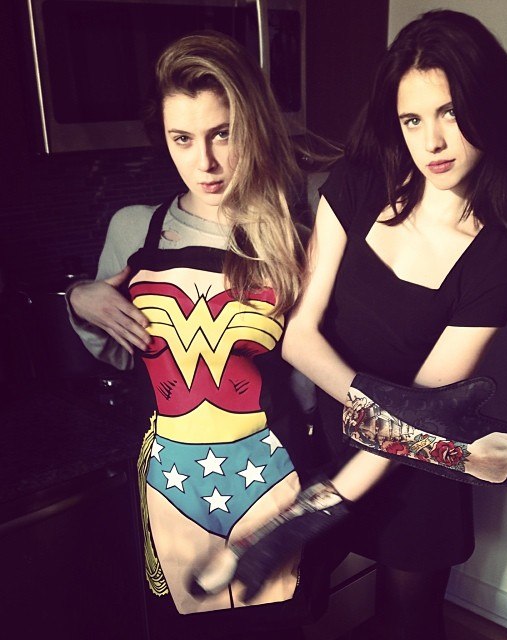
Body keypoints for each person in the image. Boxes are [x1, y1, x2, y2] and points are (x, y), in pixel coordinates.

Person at [200, 9, 507, 640]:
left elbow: (423, 421)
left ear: (487, 108)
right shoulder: (355, 186)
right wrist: (369, 418)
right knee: (296, 608)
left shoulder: (494, 264)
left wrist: (311, 512)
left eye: (451, 113)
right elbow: (299, 335)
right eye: (413, 119)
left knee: (409, 623)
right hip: (326, 449)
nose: (433, 142)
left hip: (415, 473)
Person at [67, 30, 320, 640]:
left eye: (222, 134)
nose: (204, 161)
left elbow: (313, 376)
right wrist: (79, 299)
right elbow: (116, 355)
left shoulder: (297, 231)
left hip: (272, 477)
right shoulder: (135, 230)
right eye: (182, 138)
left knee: (274, 626)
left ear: (253, 127)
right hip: (172, 484)